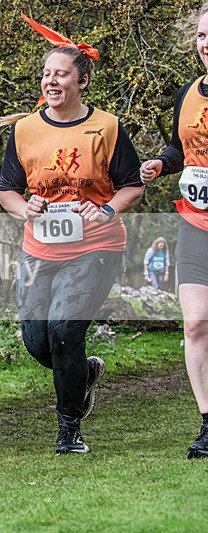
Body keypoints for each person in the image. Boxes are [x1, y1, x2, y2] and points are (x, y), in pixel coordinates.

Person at [0, 14, 143, 455]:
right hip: (39, 248)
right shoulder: (25, 129)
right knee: (37, 341)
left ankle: (69, 431)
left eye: (61, 74)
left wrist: (106, 210)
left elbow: (132, 185)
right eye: (47, 74)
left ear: (82, 82)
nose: (51, 81)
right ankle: (86, 372)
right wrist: (25, 207)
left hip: (95, 247)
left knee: (63, 333)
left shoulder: (107, 127)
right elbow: (7, 190)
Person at [140, 2, 208, 459]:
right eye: (202, 35)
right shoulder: (189, 92)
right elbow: (180, 148)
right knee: (197, 323)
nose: (207, 44)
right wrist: (162, 163)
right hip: (196, 224)